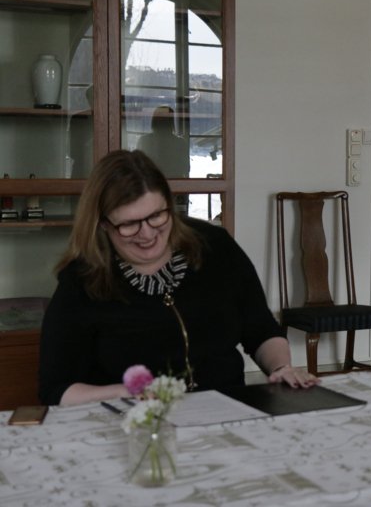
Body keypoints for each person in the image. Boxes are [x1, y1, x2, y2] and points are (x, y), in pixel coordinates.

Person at [39, 149, 318, 406]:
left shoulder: (215, 246)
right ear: (102, 224)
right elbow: (56, 390)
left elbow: (261, 330)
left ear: (170, 206)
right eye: (129, 224)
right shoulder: (82, 279)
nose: (147, 234)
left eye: (157, 216)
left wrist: (281, 368)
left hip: (225, 408)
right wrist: (127, 393)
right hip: (135, 422)